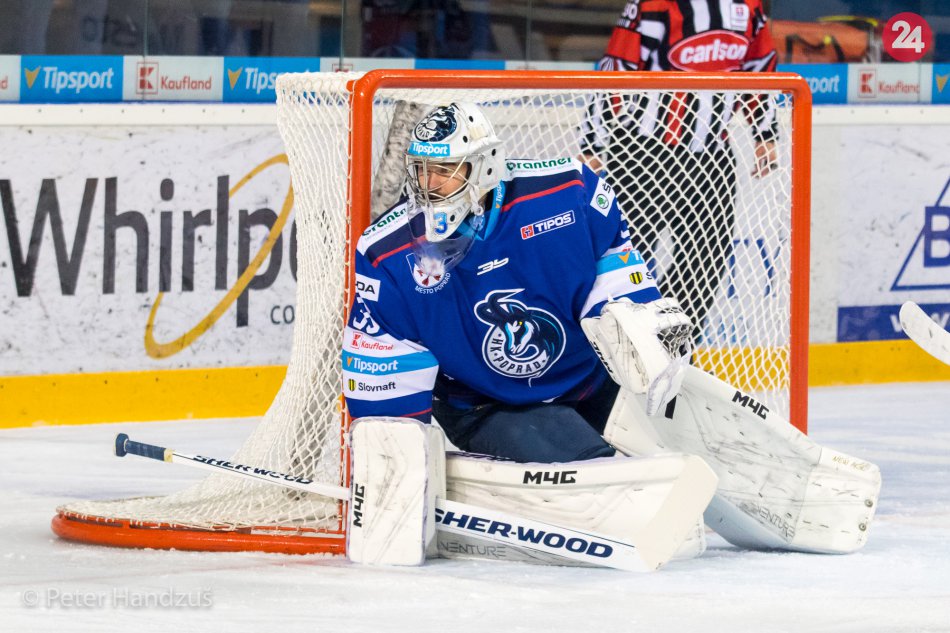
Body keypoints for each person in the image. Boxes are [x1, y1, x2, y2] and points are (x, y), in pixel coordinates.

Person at [342, 102, 692, 464]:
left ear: (485, 165)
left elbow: (619, 286)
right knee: (597, 467)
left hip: (585, 381)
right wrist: (394, 459)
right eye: (422, 170)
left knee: (697, 443)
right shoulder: (387, 250)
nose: (429, 185)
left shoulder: (568, 193)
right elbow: (385, 373)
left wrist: (641, 332)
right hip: (483, 405)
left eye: (444, 170)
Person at [581, 0, 780, 341]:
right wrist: (593, 143)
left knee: (705, 263)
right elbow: (617, 68)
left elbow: (758, 68)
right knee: (622, 259)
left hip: (712, 155)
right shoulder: (654, 4)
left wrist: (765, 133)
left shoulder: (748, 6)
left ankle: (670, 349)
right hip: (643, 153)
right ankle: (611, 349)